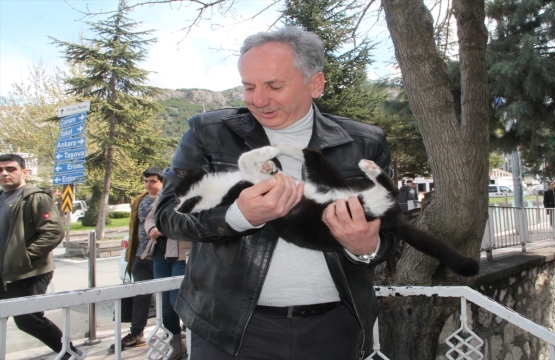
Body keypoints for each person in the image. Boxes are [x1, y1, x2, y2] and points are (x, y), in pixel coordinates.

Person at [155, 27, 396, 359]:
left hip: (334, 328)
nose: (258, 100)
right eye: (249, 86)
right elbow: (167, 215)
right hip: (228, 330)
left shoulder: (365, 142)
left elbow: (391, 235)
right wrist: (237, 217)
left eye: (274, 86)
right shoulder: (207, 133)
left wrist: (365, 248)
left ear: (316, 84)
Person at [0, 154, 84, 359]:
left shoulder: (35, 197)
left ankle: (70, 353)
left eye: (10, 169)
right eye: (1, 170)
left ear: (24, 172)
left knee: (28, 319)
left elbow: (53, 232)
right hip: (5, 272)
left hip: (29, 271)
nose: (4, 173)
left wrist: (25, 257)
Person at [109, 167, 163, 353]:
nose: (148, 185)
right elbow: (135, 226)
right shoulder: (140, 200)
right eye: (146, 181)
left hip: (162, 255)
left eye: (153, 181)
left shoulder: (168, 198)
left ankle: (176, 330)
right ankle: (136, 333)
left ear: (162, 182)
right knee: (140, 294)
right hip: (141, 255)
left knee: (169, 295)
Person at [143, 196, 190, 360]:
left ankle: (197, 341)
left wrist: (165, 227)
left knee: (176, 300)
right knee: (163, 305)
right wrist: (151, 229)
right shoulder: (166, 192)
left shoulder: (193, 190)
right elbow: (150, 218)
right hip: (160, 254)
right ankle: (176, 346)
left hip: (182, 254)